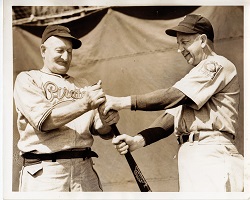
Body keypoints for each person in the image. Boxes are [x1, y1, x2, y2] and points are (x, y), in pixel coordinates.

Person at [100, 14, 244, 192]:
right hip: (194, 154)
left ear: (203, 40)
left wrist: (122, 102)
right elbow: (170, 117)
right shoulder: (194, 77)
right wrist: (138, 140)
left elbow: (171, 97)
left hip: (212, 151)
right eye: (178, 44)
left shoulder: (217, 64)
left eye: (185, 42)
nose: (180, 49)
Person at [13, 24, 119, 192]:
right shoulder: (28, 79)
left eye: (69, 52)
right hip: (45, 173)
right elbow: (45, 122)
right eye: (59, 50)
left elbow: (100, 130)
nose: (66, 57)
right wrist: (85, 104)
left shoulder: (82, 85)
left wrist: (107, 121)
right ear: (43, 51)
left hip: (84, 170)